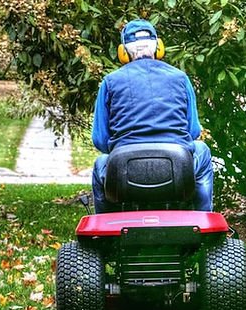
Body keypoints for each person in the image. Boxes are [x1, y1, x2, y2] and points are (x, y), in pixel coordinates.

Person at [91, 19, 214, 213]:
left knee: (100, 163)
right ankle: (203, 218)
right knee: (202, 150)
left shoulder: (110, 82)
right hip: (177, 165)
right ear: (158, 47)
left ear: (123, 52)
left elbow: (100, 140)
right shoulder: (180, 78)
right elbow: (193, 132)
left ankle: (106, 231)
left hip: (123, 169)